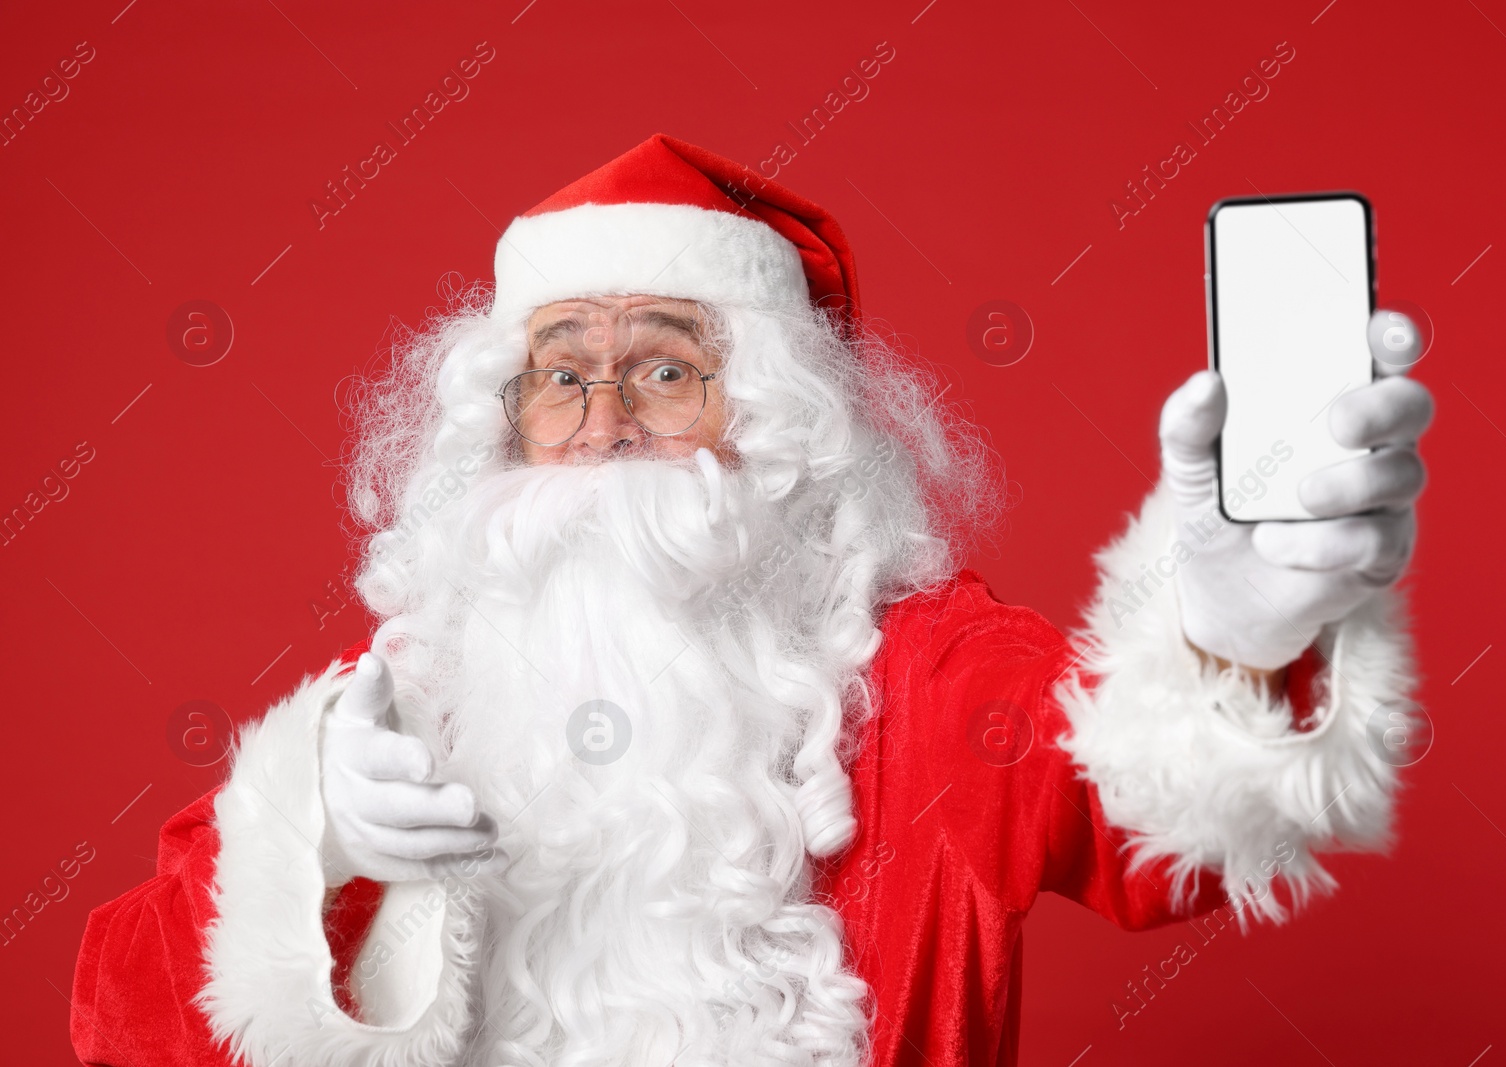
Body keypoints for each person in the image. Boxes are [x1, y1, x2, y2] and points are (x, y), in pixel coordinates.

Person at [70, 133, 1432, 1067]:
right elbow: (123, 1018)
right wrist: (318, 850)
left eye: (664, 370)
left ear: (775, 419)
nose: (605, 421)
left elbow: (1139, 824)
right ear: (500, 419)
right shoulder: (402, 697)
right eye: (560, 374)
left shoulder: (918, 669)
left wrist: (1241, 635)